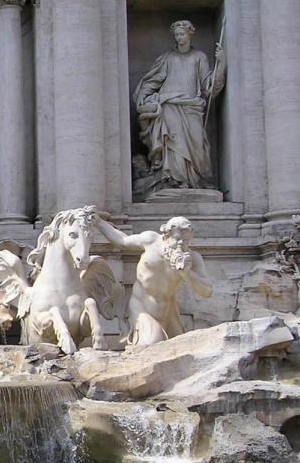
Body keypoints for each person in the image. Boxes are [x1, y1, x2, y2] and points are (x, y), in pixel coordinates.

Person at [92, 215, 213, 347]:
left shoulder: (192, 258)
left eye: (186, 241)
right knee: (152, 343)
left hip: (168, 311)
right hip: (142, 307)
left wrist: (187, 274)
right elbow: (122, 240)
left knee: (180, 348)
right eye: (177, 239)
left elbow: (207, 291)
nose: (181, 244)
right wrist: (98, 222)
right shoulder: (151, 240)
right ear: (166, 236)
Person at [133, 20, 225, 193]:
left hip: (192, 107)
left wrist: (221, 64)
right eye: (176, 35)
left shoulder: (199, 57)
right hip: (169, 105)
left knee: (197, 143)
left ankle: (196, 181)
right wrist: (143, 97)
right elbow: (152, 81)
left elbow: (209, 87)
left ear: (190, 34)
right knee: (172, 141)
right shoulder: (168, 57)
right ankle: (173, 180)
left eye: (181, 34)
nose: (179, 37)